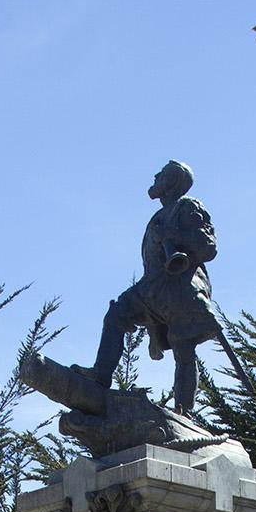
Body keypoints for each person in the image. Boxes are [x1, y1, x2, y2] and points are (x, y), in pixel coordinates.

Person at [88, 160, 220, 415]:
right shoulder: (158, 216)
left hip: (181, 289)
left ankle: (184, 411)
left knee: (183, 348)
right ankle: (100, 376)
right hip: (152, 288)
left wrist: (172, 234)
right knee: (116, 315)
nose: (155, 177)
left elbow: (208, 248)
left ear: (170, 182)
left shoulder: (188, 207)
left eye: (161, 175)